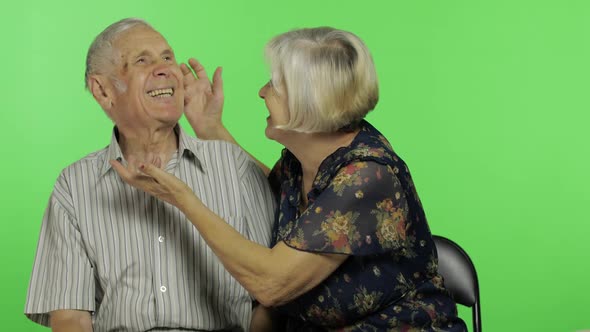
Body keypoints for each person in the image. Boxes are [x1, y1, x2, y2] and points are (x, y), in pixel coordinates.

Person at [113, 27, 467, 331]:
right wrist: (209, 126)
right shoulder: (307, 159)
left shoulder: (368, 176)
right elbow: (270, 192)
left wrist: (183, 199)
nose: (262, 92)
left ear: (310, 100)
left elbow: (271, 283)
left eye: (275, 84)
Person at [24, 18, 275, 332]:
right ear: (102, 90)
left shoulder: (235, 167)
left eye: (168, 57)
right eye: (142, 60)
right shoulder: (74, 186)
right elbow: (70, 317)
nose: (164, 69)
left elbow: (271, 300)